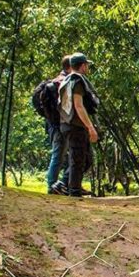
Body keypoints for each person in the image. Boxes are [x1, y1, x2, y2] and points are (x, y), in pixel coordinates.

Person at [55, 53, 100, 198]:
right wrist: (90, 127)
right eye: (86, 64)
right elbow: (78, 106)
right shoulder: (77, 81)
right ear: (82, 65)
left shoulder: (66, 80)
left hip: (67, 124)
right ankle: (73, 191)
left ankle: (65, 184)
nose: (87, 67)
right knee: (77, 158)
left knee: (85, 159)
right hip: (75, 124)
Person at [44, 55, 71, 193]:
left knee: (60, 155)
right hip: (60, 124)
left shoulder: (56, 81)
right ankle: (52, 186)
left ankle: (59, 185)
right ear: (69, 66)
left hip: (53, 124)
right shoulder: (62, 82)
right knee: (58, 156)